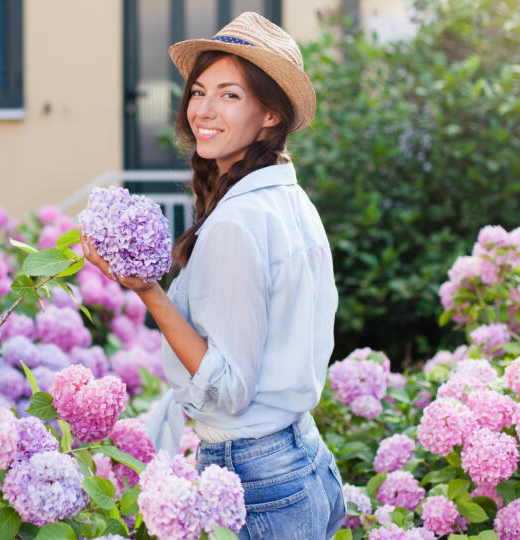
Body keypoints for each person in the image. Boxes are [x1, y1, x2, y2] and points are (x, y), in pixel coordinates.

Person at [82, 11, 346, 540]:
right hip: (306, 461)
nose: (203, 109)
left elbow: (227, 389)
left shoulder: (237, 223)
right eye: (199, 91)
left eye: (229, 95)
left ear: (270, 112)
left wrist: (149, 291)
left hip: (257, 482)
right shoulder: (291, 200)